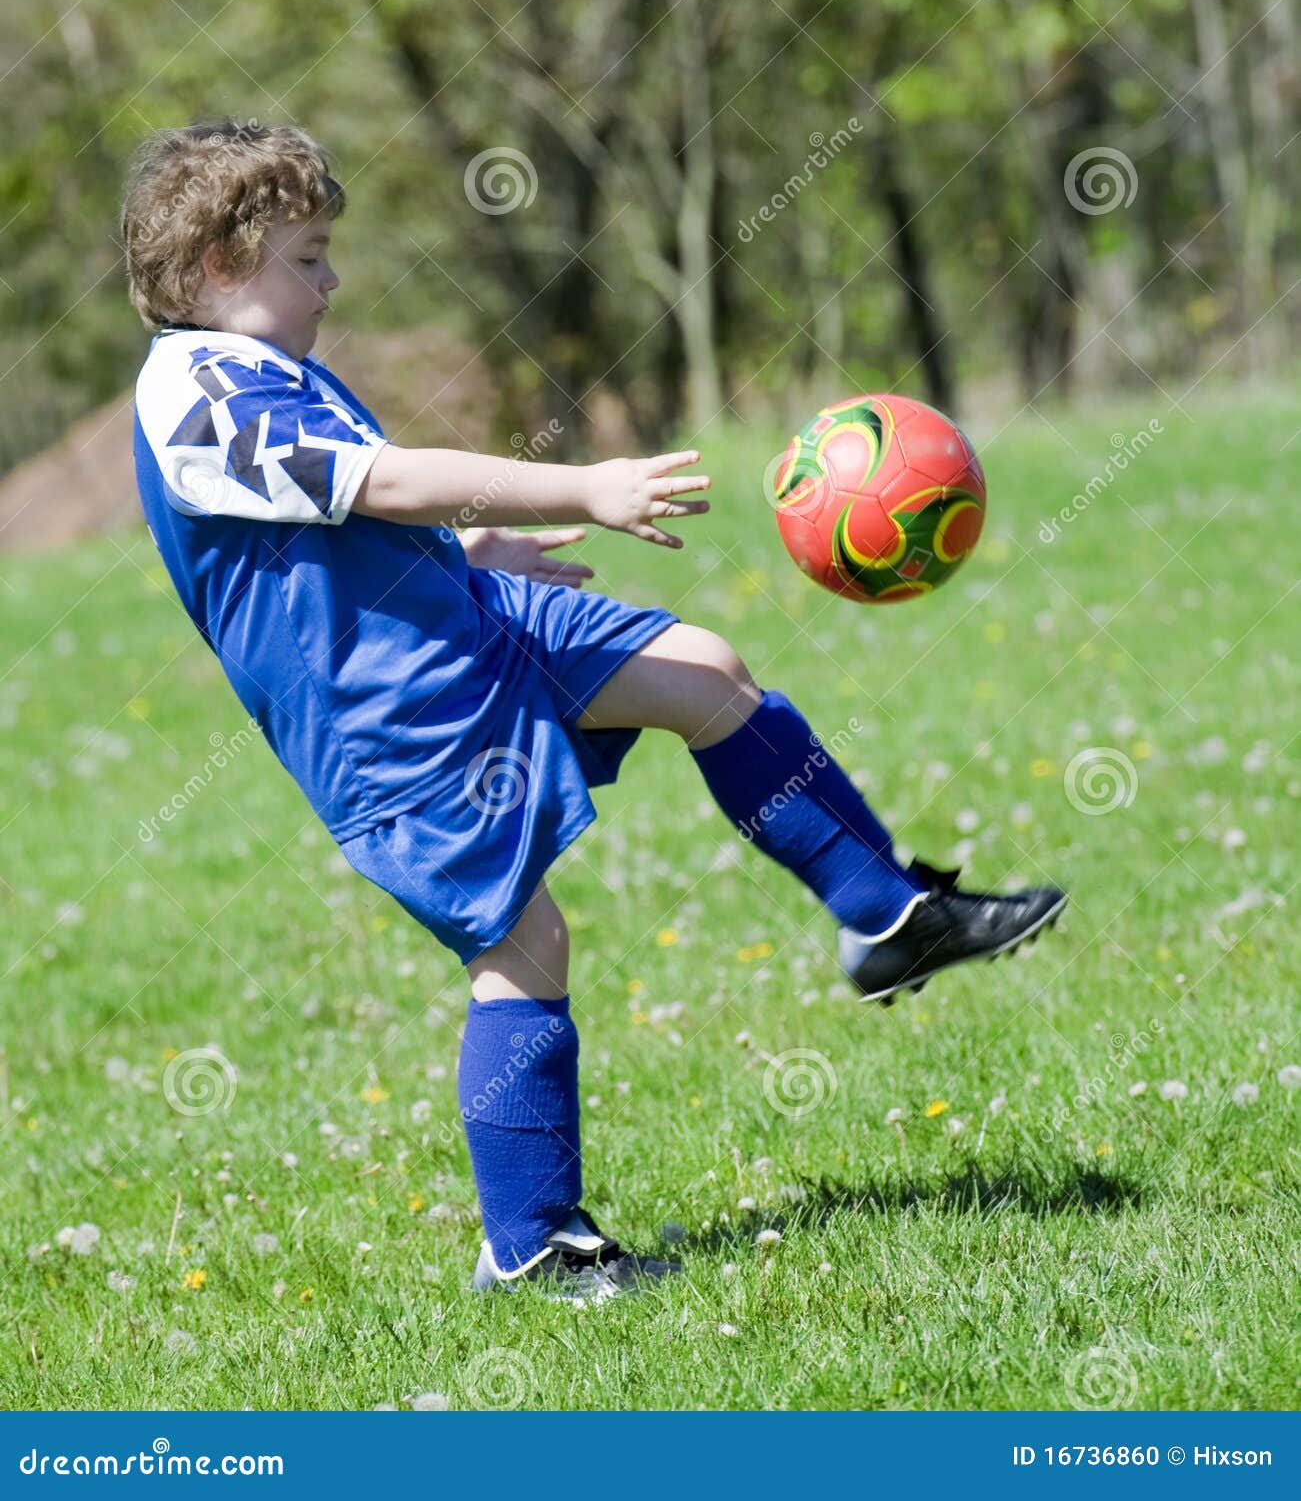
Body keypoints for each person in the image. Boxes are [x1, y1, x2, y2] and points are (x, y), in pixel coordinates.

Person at [125, 118, 1066, 1305]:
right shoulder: (195, 390)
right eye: (308, 256)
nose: (331, 279)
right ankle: (529, 1244)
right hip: (390, 718)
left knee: (704, 672)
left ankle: (886, 915)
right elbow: (379, 481)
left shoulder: (268, 370)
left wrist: (471, 551)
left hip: (467, 622)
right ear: (220, 261)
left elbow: (335, 531)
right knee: (524, 946)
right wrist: (583, 486)